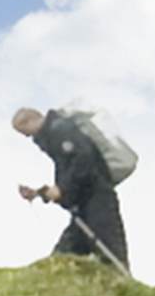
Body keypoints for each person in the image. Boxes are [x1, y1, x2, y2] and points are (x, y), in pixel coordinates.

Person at [9, 106, 131, 272]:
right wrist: (39, 193)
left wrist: (61, 189)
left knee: (110, 252)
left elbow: (84, 160)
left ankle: (126, 290)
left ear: (31, 120)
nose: (28, 137)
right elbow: (69, 173)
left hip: (98, 200)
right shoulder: (54, 135)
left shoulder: (60, 129)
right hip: (83, 206)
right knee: (64, 256)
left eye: (26, 132)